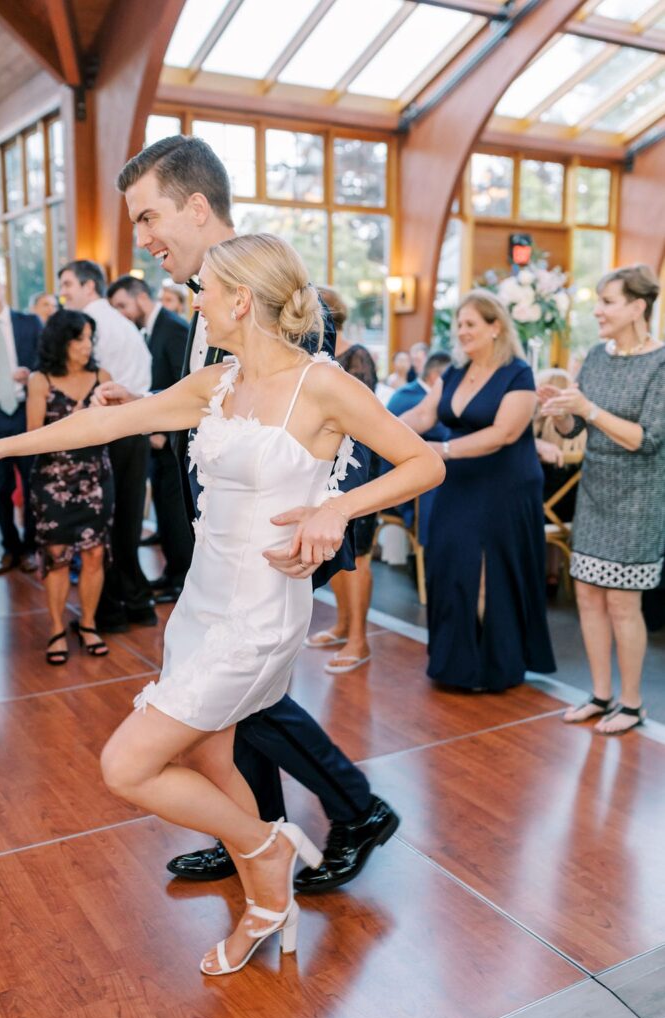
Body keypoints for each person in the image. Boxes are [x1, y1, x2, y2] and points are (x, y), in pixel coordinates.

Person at [0, 232, 444, 976]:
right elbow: (107, 422)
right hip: (201, 603)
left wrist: (336, 508)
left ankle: (266, 851)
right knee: (208, 754)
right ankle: (269, 904)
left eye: (205, 291)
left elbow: (426, 462)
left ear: (241, 299)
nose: (194, 303)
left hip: (260, 613)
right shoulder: (217, 382)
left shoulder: (321, 386)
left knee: (126, 765)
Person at [106, 134, 403, 900]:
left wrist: (332, 521)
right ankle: (250, 832)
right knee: (236, 707)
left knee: (244, 699)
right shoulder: (197, 295)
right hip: (220, 530)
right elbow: (210, 407)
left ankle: (342, 812)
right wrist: (141, 407)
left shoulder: (269, 291)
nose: (141, 237)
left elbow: (327, 427)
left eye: (147, 217)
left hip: (283, 537)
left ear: (195, 208)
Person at [403, 289, 555, 692]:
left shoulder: (517, 373)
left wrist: (443, 450)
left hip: (504, 487)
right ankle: (455, 665)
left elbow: (504, 433)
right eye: (459, 324)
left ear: (496, 327)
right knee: (448, 565)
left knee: (487, 573)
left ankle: (494, 667)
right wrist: (377, 430)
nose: (462, 331)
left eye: (470, 323)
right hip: (458, 485)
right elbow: (422, 414)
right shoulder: (455, 372)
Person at [539, 265, 665, 735]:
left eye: (608, 302)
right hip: (594, 495)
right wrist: (560, 411)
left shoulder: (660, 363)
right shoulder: (595, 356)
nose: (597, 311)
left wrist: (587, 408)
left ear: (637, 307)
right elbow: (578, 426)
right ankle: (599, 694)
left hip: (638, 502)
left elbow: (646, 439)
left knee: (622, 605)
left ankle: (631, 704)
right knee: (589, 598)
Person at [59, 260, 155, 631]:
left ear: (89, 286)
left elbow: (86, 380)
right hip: (137, 428)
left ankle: (110, 610)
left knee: (105, 523)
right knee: (128, 522)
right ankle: (138, 603)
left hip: (110, 429)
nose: (63, 292)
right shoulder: (122, 322)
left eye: (68, 284)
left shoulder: (90, 324)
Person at [27, 310, 114, 664]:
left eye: (90, 338)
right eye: (79, 338)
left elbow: (114, 426)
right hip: (53, 481)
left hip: (95, 478)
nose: (86, 345)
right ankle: (56, 628)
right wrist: (74, 420)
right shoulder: (40, 380)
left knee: (94, 554)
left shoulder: (102, 377)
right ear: (61, 341)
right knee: (57, 557)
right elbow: (33, 437)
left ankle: (88, 623)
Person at [107, 274, 193, 602]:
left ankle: (182, 580)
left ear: (141, 297)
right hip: (156, 434)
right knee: (164, 511)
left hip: (172, 439)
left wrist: (164, 431)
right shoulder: (149, 329)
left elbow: (184, 385)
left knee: (175, 512)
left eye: (122, 306)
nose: (121, 314)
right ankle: (172, 573)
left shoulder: (173, 328)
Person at [306, 342, 378, 674]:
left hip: (357, 462)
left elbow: (362, 415)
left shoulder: (355, 355)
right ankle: (342, 624)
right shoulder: (310, 352)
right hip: (325, 459)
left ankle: (359, 640)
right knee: (335, 547)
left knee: (358, 552)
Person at [0, 264, 41, 576]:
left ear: (1, 284)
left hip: (26, 412)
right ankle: (10, 548)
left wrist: (31, 375)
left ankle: (31, 548)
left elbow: (47, 362)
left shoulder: (29, 323)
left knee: (32, 483)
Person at [383, 350, 451, 546]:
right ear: (436, 378)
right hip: (398, 486)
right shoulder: (417, 399)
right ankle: (432, 548)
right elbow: (445, 434)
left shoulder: (409, 391)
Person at [534, 368, 587, 594]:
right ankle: (553, 573)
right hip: (571, 515)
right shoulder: (582, 437)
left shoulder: (534, 438)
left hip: (540, 513)